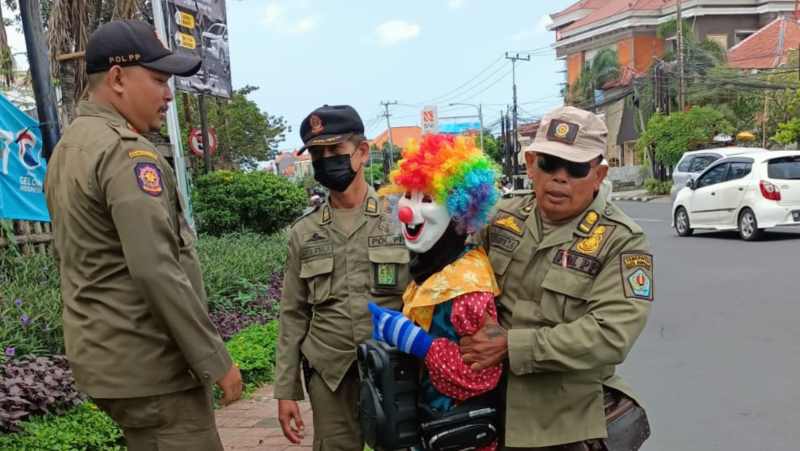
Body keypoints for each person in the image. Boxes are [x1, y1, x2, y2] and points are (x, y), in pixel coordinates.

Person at [44, 20, 241, 451]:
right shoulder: (125, 153)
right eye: (158, 79)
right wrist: (215, 360)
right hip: (152, 366)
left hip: (108, 359)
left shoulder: (70, 147)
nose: (168, 94)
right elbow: (156, 268)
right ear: (117, 79)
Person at [463, 106, 653, 450]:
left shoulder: (623, 239)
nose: (560, 177)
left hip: (566, 426)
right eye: (550, 163)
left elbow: (611, 334)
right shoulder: (501, 217)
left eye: (576, 167)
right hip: (489, 412)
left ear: (599, 173)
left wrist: (512, 345)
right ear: (532, 164)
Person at [275, 105, 410, 450]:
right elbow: (293, 313)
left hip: (396, 366)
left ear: (362, 152)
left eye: (336, 150)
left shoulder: (402, 217)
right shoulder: (304, 232)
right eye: (318, 153)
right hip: (330, 371)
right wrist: (286, 391)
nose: (326, 160)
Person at [368, 134, 502, 450]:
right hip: (428, 427)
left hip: (460, 435)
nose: (407, 211)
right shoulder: (431, 269)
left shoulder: (468, 285)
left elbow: (480, 377)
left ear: (460, 211)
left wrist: (418, 343)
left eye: (427, 200)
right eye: (408, 196)